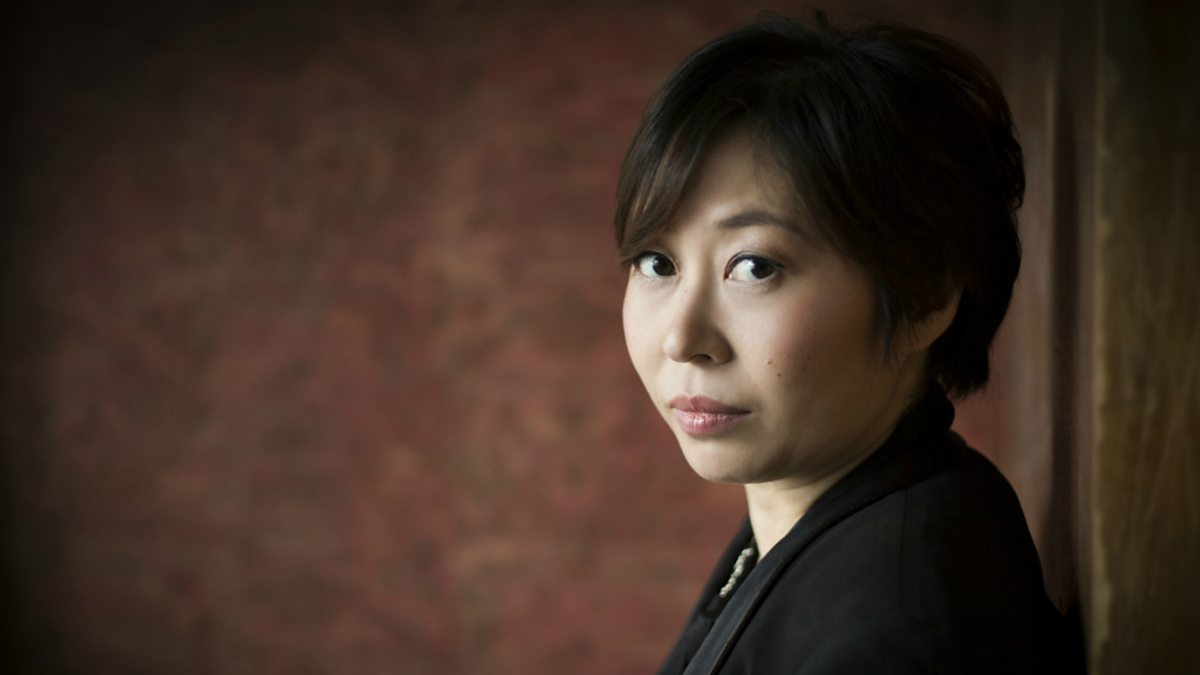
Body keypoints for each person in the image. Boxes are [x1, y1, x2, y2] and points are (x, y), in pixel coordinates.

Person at [615, 13, 1074, 674]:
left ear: (924, 298)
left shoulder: (894, 632)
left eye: (754, 267)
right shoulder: (841, 514)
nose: (683, 338)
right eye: (657, 263)